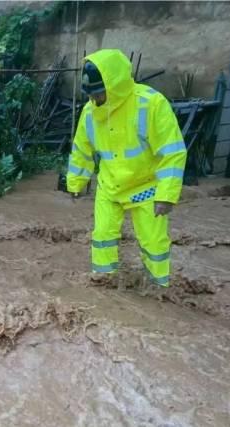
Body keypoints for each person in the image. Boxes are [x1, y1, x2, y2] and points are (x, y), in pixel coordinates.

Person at [67, 49, 187, 287]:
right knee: (102, 237)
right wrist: (75, 182)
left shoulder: (151, 104)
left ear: (115, 85)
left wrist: (167, 195)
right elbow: (82, 150)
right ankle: (103, 283)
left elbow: (172, 152)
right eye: (91, 94)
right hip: (109, 186)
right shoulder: (89, 113)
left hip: (147, 188)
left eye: (99, 93)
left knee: (153, 243)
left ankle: (158, 289)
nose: (95, 99)